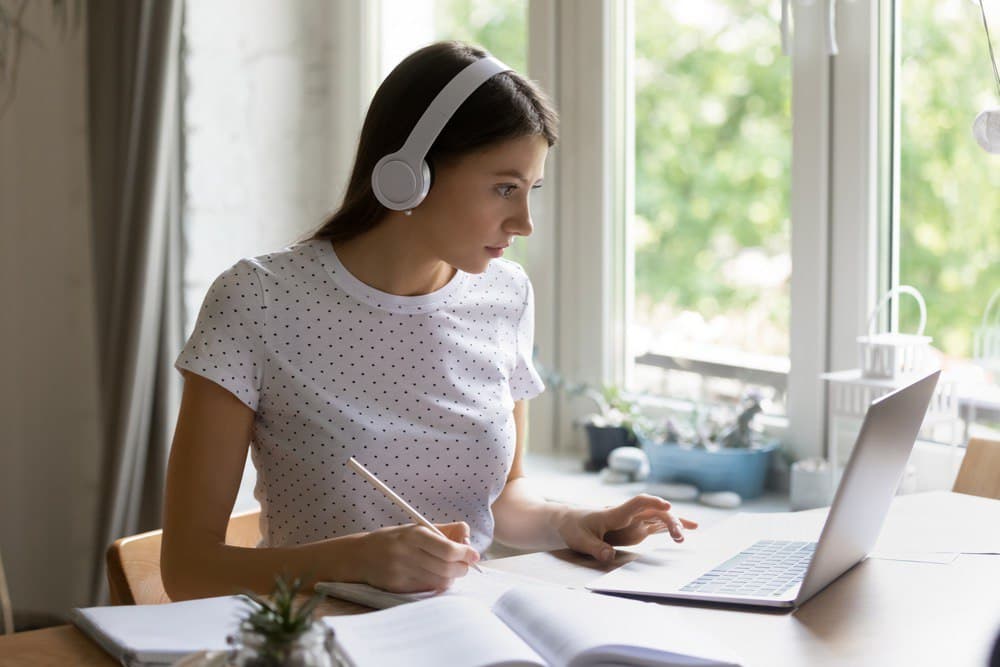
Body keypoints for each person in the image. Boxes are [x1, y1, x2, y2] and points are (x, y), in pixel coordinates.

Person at [160, 40, 696, 600]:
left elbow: (505, 498)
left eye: (532, 189)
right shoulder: (256, 300)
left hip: (465, 635)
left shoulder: (506, 295)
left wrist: (573, 522)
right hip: (317, 643)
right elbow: (188, 570)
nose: (525, 222)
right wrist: (348, 562)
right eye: (504, 188)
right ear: (407, 174)